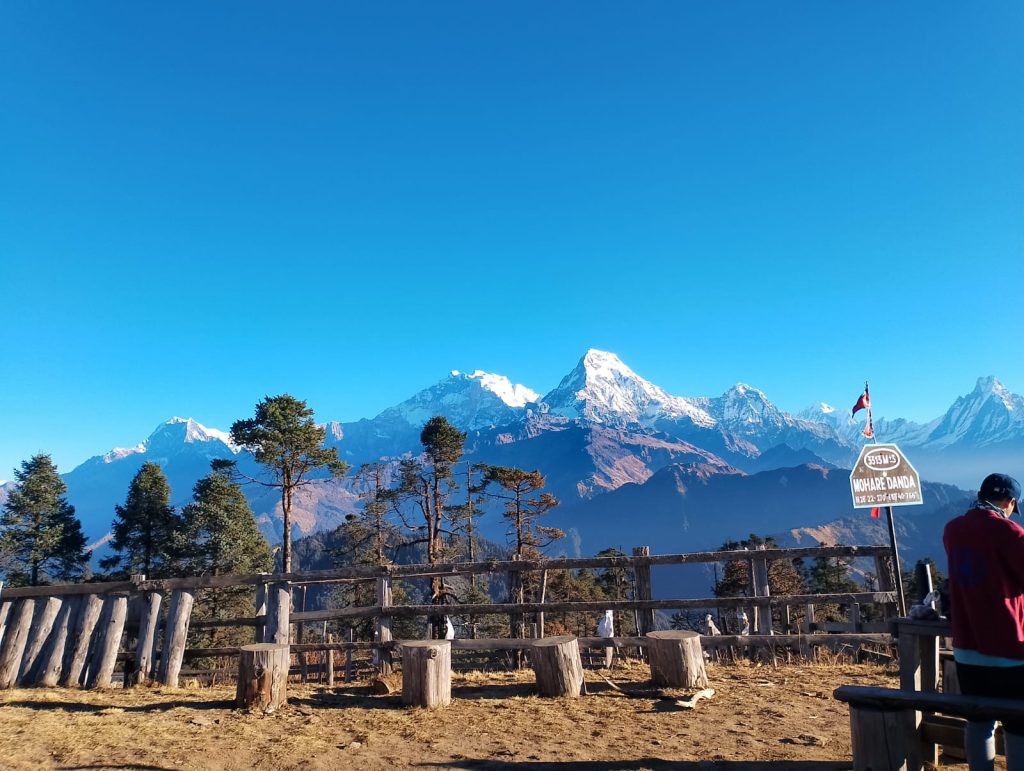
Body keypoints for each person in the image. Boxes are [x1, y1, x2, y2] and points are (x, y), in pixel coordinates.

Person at [944, 472, 1024, 770]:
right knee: (1018, 726)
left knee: (978, 722)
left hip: (966, 648)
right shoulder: (1012, 533)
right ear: (1010, 502)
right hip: (1008, 650)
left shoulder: (952, 530)